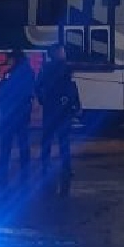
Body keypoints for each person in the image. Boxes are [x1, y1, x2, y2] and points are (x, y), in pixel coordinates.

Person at [35, 44, 80, 194]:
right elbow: (70, 88)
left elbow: (71, 87)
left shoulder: (55, 68)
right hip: (57, 110)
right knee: (58, 141)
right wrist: (74, 103)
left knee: (55, 141)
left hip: (57, 110)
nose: (64, 53)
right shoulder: (58, 68)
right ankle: (59, 167)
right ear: (55, 53)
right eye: (61, 51)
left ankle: (56, 167)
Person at [0, 50, 35, 181]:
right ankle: (25, 171)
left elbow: (3, 93)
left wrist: (3, 108)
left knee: (7, 144)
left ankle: (3, 171)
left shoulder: (11, 73)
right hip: (21, 113)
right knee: (22, 143)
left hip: (11, 114)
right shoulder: (28, 73)